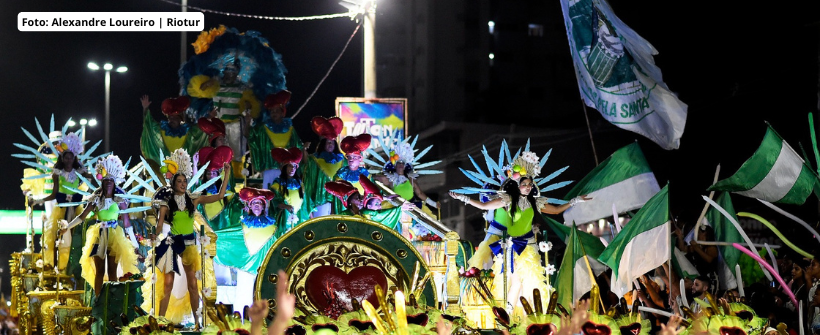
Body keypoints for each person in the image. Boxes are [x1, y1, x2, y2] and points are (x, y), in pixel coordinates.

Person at [449, 147, 589, 317]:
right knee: (514, 281)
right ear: (517, 185)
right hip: (511, 247)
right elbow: (484, 206)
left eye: (530, 184)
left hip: (529, 247)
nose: (528, 187)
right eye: (524, 184)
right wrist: (463, 198)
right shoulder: (508, 200)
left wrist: (574, 201)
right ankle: (507, 313)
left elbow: (556, 210)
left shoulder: (535, 202)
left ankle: (525, 314)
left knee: (530, 281)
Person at [152, 149, 231, 328]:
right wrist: (154, 235)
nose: (182, 184)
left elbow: (219, 196)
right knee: (168, 285)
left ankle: (197, 323)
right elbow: (159, 224)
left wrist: (226, 174)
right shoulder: (166, 203)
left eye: (184, 181)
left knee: (193, 285)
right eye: (179, 181)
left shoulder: (193, 200)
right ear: (173, 183)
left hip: (188, 244)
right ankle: (159, 322)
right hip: (172, 243)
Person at [59, 155, 139, 296]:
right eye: (106, 180)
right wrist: (67, 227)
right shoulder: (96, 199)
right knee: (99, 271)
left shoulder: (120, 200)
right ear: (102, 182)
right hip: (98, 235)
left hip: (114, 235)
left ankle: (112, 301)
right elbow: (82, 216)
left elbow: (127, 223)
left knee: (113, 272)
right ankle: (98, 300)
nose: (108, 183)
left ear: (115, 183)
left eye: (111, 180)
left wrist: (135, 243)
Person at [28, 132, 93, 272]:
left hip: (74, 206)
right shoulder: (58, 172)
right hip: (61, 206)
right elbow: (54, 193)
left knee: (74, 234)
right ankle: (59, 265)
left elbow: (90, 178)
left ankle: (73, 266)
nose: (69, 160)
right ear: (63, 158)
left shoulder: (78, 171)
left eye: (71, 157)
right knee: (58, 235)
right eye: (66, 157)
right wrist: (38, 200)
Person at [247, 91, 303, 190]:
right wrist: (247, 119)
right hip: (269, 169)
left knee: (285, 194)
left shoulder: (290, 129)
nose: (274, 113)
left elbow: (298, 148)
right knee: (269, 193)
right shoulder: (262, 129)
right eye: (272, 111)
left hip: (286, 171)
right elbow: (250, 137)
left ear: (282, 112)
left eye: (277, 110)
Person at [140, 95, 210, 167]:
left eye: (174, 118)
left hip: (183, 169)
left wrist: (209, 117)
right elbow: (149, 125)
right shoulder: (162, 130)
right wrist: (145, 108)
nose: (171, 120)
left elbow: (201, 129)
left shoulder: (188, 132)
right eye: (170, 118)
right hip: (166, 168)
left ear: (180, 119)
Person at [302, 116, 345, 218]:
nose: (330, 144)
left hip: (338, 201)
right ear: (323, 144)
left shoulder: (342, 160)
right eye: (328, 142)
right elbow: (308, 176)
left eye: (332, 142)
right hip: (321, 200)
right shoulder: (314, 160)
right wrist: (304, 150)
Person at [269, 147, 309, 235]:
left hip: (299, 219)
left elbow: (306, 204)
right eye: (290, 165)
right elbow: (275, 202)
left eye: (294, 166)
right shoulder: (277, 185)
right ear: (284, 167)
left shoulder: (300, 185)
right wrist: (285, 206)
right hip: (284, 219)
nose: (292, 168)